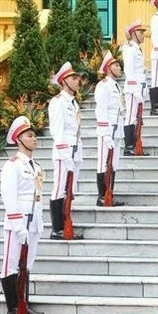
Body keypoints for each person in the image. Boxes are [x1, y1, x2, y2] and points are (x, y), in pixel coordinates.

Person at [1, 116, 47, 314]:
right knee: (11, 265)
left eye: (35, 135)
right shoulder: (13, 165)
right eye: (30, 136)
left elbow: (37, 196)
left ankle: (23, 305)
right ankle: (13, 309)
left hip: (33, 221)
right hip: (18, 223)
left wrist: (39, 221)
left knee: (26, 265)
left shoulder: (35, 166)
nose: (34, 139)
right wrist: (18, 226)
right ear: (19, 140)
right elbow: (9, 197)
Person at [48, 61, 84, 240]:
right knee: (59, 188)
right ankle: (57, 228)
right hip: (64, 153)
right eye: (73, 78)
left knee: (69, 190)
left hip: (75, 151)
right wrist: (65, 154)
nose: (77, 81)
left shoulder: (73, 103)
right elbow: (57, 131)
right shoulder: (58, 102)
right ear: (63, 81)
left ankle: (66, 224)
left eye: (77, 77)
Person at [94, 51, 126, 207]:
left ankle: (109, 194)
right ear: (108, 67)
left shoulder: (116, 86)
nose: (119, 67)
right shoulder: (103, 86)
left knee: (113, 163)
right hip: (107, 131)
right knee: (103, 163)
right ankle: (102, 196)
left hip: (117, 130)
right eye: (116, 65)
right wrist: (105, 133)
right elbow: (101, 111)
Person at [122, 20, 147, 156]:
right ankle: (129, 146)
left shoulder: (136, 49)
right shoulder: (130, 49)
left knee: (136, 118)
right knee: (130, 117)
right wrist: (135, 90)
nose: (143, 35)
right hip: (132, 89)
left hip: (138, 87)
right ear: (133, 34)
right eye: (140, 32)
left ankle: (135, 144)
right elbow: (129, 70)